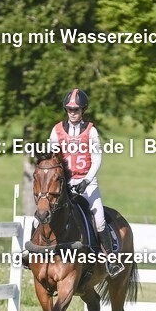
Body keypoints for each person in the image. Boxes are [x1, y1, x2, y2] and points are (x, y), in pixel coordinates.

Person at [48, 88, 124, 276]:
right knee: (43, 213)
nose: (72, 113)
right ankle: (31, 253)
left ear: (83, 110)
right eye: (69, 109)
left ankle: (110, 260)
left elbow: (97, 158)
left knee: (99, 221)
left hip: (87, 183)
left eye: (76, 109)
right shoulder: (57, 130)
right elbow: (51, 157)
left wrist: (86, 180)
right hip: (64, 183)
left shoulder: (91, 131)